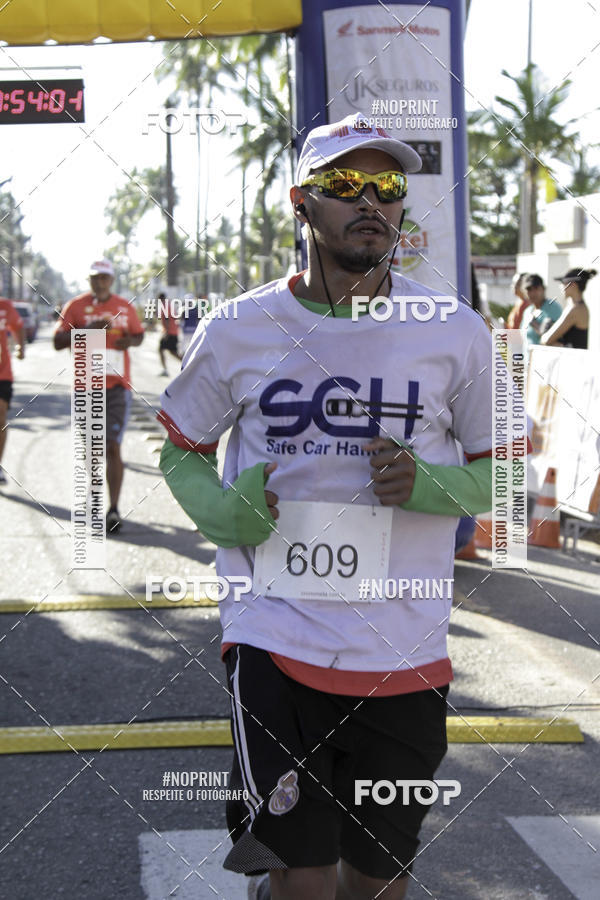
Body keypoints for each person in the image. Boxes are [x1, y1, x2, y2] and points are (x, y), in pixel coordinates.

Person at [158, 112, 496, 900]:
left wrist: (432, 488)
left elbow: (503, 473)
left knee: (378, 882)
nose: (371, 201)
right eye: (346, 186)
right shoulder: (240, 326)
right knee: (302, 877)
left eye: (387, 186)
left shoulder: (454, 331)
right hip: (273, 636)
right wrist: (223, 515)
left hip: (405, 651)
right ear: (301, 203)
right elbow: (180, 445)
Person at [54, 259, 144, 533]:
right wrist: (88, 331)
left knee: (113, 446)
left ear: (111, 280)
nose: (100, 282)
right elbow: (57, 342)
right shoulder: (76, 307)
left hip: (117, 387)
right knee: (93, 449)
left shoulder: (124, 307)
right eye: (95, 277)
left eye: (104, 277)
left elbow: (138, 336)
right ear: (89, 280)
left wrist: (130, 341)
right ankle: (94, 501)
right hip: (85, 388)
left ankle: (113, 509)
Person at [0, 297, 25, 484]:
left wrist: (20, 347)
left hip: (3, 373)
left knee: (1, 417)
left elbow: (18, 326)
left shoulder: (5, 306)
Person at [540, 267, 596, 349]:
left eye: (563, 283)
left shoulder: (575, 310)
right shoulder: (580, 307)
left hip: (573, 360)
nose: (561, 287)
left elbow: (546, 340)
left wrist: (542, 330)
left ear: (573, 285)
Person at [520, 273, 562, 345]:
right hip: (528, 355)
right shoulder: (527, 311)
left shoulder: (553, 307)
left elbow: (555, 338)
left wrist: (535, 325)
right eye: (529, 289)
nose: (532, 293)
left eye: (536, 288)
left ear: (543, 289)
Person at [158, 292, 181, 375]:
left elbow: (167, 319)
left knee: (163, 350)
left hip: (170, 332)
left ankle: (165, 370)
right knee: (172, 352)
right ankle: (187, 365)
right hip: (173, 331)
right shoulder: (169, 305)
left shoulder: (164, 306)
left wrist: (167, 332)